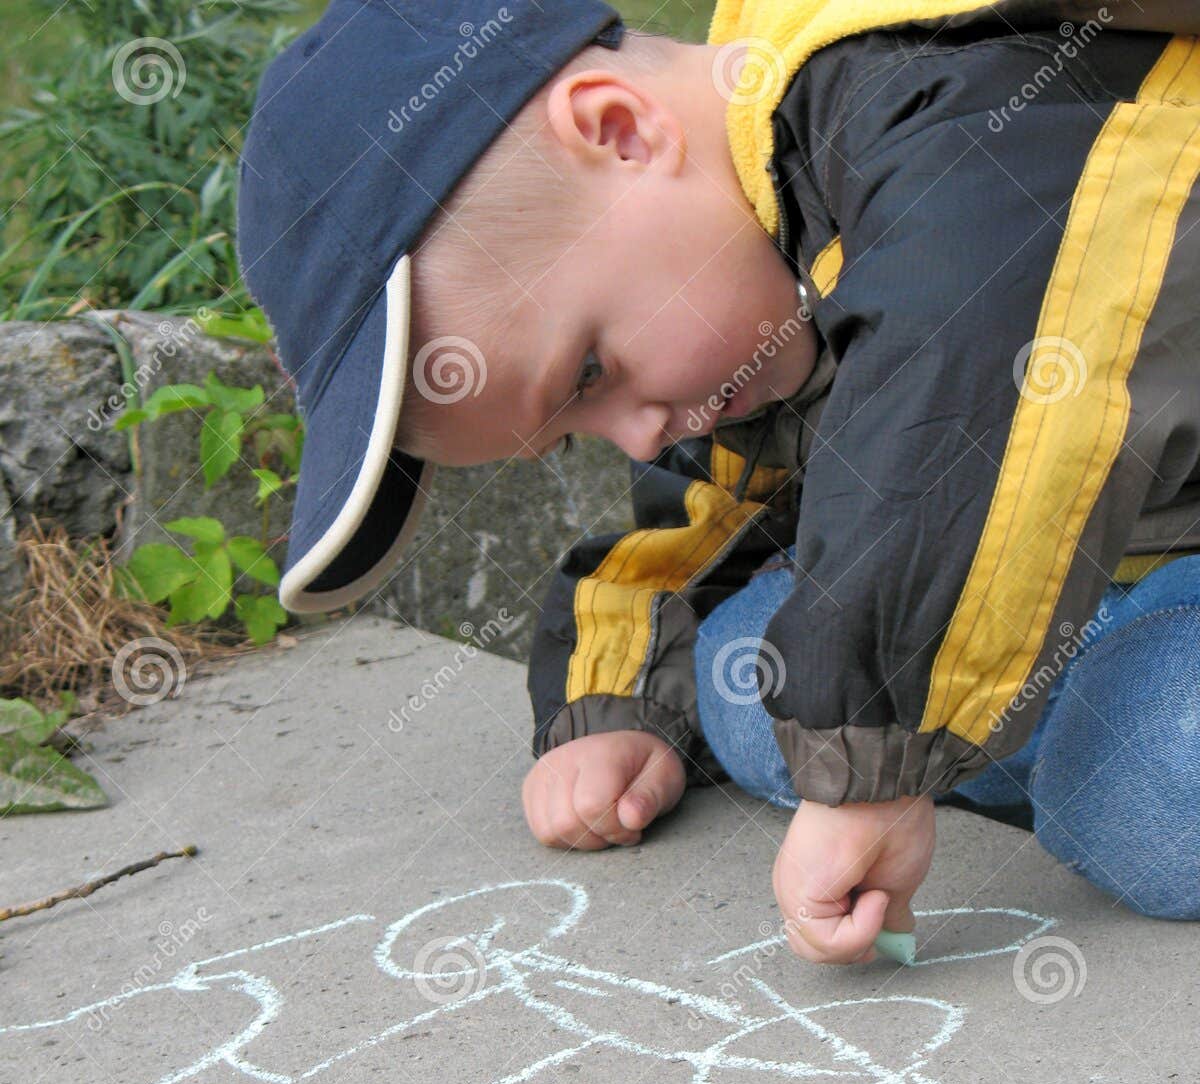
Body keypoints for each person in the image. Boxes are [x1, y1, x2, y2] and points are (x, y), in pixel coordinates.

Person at [236, 1, 1200, 965]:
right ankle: (1015, 712)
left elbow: (965, 383)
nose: (639, 434)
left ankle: (1036, 733)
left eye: (586, 376)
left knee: (1147, 767)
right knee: (747, 675)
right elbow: (685, 535)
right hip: (1113, 580)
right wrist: (610, 707)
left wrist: (868, 774)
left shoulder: (941, 95)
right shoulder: (748, 268)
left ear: (621, 132)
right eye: (574, 433)